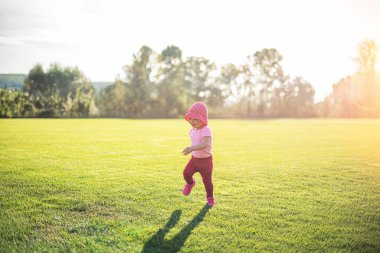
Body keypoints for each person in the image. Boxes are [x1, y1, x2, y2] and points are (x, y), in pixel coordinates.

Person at [181, 102, 215, 206]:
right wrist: (192, 150)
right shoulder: (192, 130)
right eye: (190, 118)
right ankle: (191, 183)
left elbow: (205, 144)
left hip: (206, 162)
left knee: (207, 181)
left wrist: (191, 148)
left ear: (203, 119)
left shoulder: (206, 130)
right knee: (186, 173)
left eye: (195, 119)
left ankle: (210, 197)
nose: (192, 121)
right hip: (195, 160)